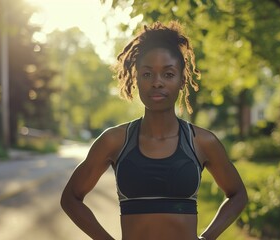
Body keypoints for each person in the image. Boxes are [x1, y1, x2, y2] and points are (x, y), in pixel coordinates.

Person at [61, 20, 248, 240]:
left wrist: (208, 237)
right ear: (136, 79)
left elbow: (238, 195)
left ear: (181, 80)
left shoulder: (202, 142)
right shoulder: (115, 141)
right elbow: (71, 198)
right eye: (147, 74)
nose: (157, 83)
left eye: (168, 74)